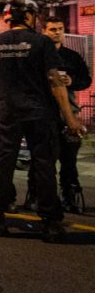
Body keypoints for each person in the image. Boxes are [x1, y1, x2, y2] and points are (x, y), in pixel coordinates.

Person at [0, 0, 86, 242]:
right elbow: (56, 82)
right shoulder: (42, 43)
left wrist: (5, 83)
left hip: (7, 112)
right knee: (44, 166)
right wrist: (70, 118)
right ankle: (50, 222)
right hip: (39, 113)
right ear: (29, 17)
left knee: (2, 164)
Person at [27, 17, 91, 214]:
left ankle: (69, 195)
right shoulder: (36, 55)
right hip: (44, 113)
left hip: (68, 113)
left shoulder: (72, 56)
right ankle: (36, 195)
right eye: (52, 29)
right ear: (44, 31)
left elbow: (86, 80)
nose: (57, 32)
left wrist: (72, 80)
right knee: (42, 158)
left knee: (69, 159)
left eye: (60, 29)